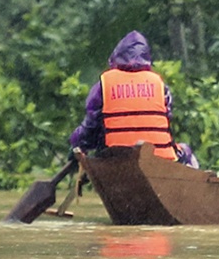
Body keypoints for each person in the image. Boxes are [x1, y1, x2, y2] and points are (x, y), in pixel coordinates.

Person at [70, 30, 196, 166]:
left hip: (115, 161)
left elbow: (90, 126)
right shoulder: (159, 84)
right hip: (160, 161)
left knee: (101, 138)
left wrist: (76, 144)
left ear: (116, 56)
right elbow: (165, 120)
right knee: (186, 150)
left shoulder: (104, 83)